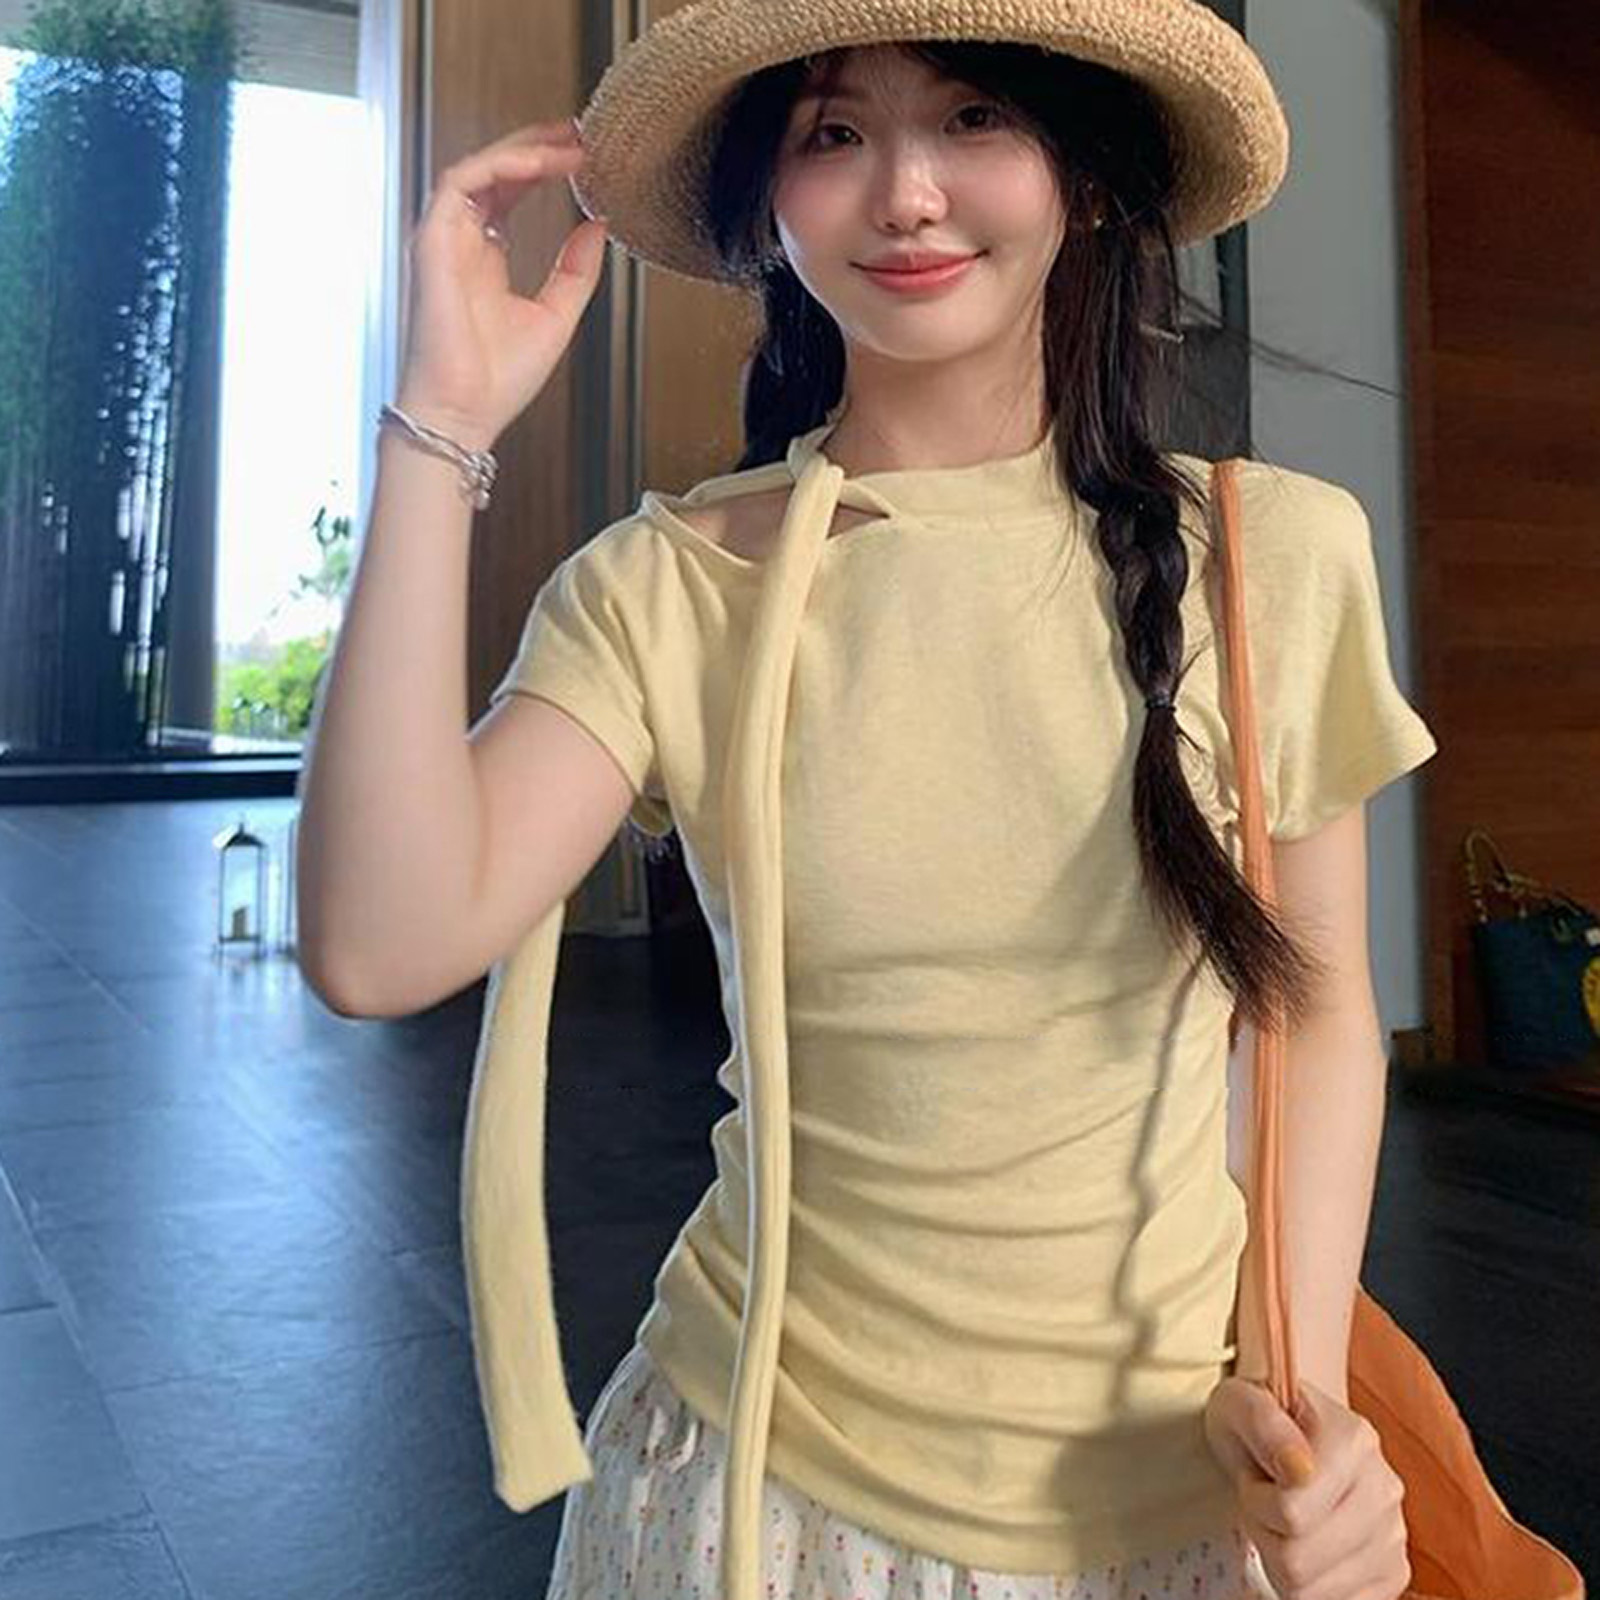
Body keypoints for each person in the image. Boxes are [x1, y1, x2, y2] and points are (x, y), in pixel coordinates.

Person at [295, 3, 1437, 1598]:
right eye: (833, 133)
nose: (905, 194)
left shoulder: (1276, 558)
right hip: (747, 1504)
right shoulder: (665, 586)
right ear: (772, 201)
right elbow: (379, 942)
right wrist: (441, 431)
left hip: (1178, 1506)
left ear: (1083, 172)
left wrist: (1308, 1412)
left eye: (974, 117)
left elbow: (1309, 1017)